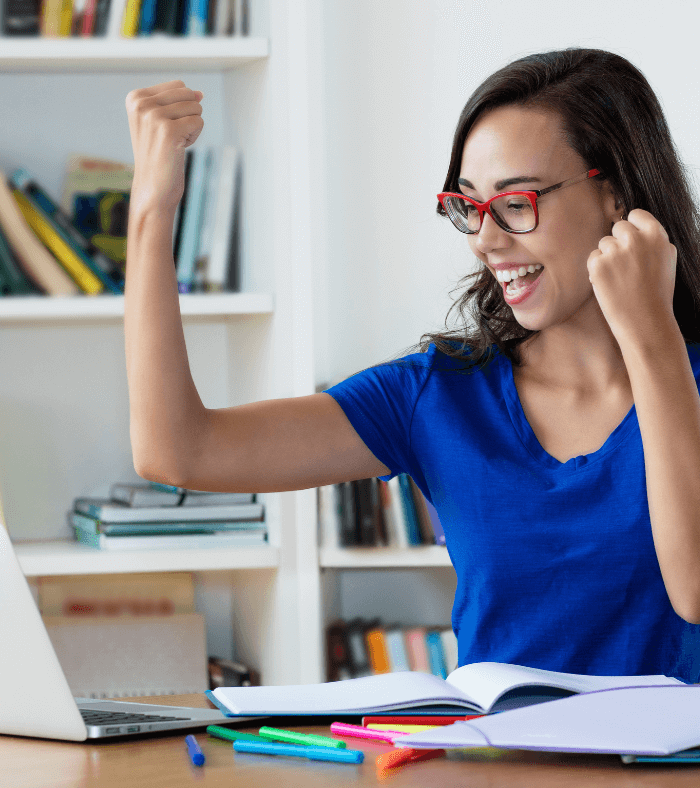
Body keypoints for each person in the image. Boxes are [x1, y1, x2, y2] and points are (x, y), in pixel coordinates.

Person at [123, 47, 700, 683]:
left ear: (616, 194)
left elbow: (695, 590)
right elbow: (178, 451)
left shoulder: (682, 374)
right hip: (496, 771)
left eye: (516, 201)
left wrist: (652, 337)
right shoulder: (439, 395)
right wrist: (152, 212)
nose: (486, 239)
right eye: (469, 205)